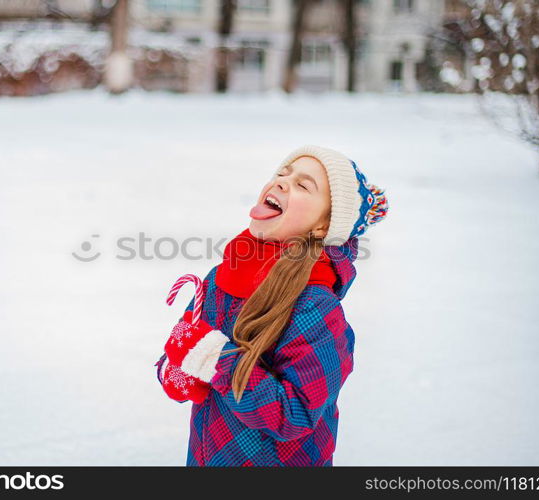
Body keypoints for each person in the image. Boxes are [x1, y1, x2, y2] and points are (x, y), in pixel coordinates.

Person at [154, 144, 389, 466]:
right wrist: (177, 369)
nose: (281, 182)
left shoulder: (314, 308)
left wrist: (214, 358)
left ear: (323, 226)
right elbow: (185, 351)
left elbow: (294, 415)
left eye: (303, 185)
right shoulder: (222, 276)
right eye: (282, 174)